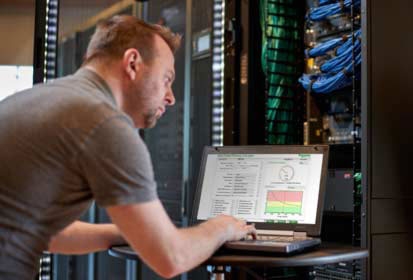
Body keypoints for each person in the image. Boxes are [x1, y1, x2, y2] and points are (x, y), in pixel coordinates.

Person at [0, 15, 256, 279]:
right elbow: (172, 258)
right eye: (167, 79)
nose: (171, 97)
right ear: (133, 63)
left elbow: (50, 234)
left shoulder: (40, 97)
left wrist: (133, 232)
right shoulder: (104, 122)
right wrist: (224, 227)